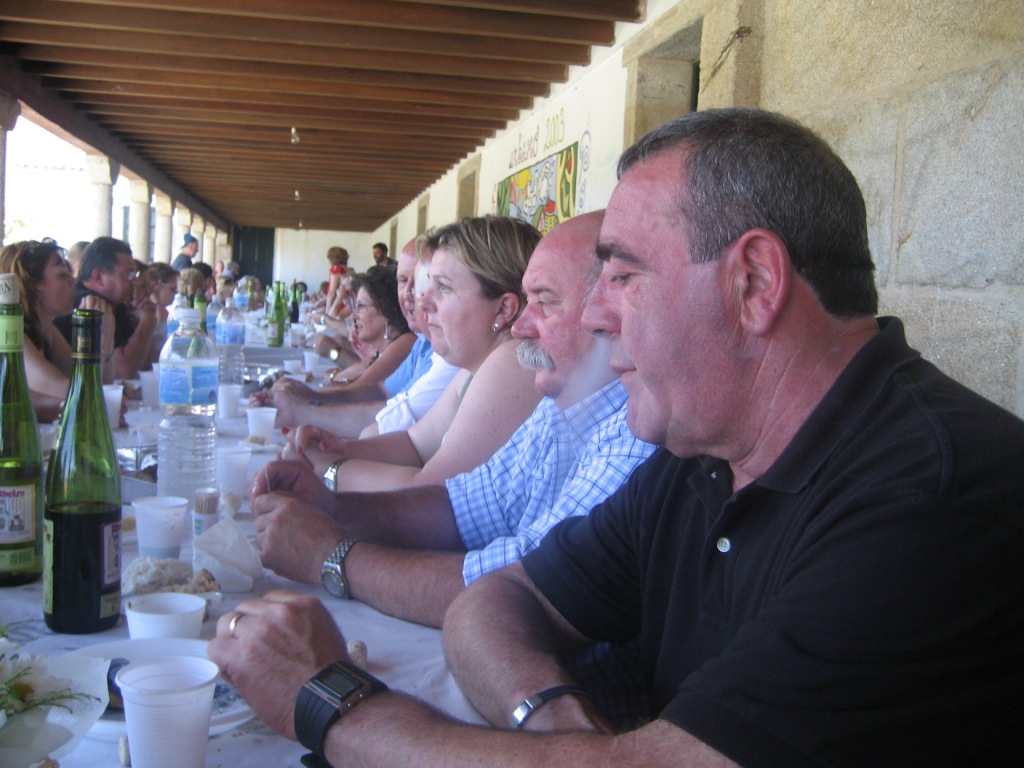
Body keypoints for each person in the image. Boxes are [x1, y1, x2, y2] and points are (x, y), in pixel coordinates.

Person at [210, 109, 1024, 767]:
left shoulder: (929, 498)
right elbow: (498, 600)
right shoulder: (707, 455)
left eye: (625, 275)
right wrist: (561, 729)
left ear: (753, 283)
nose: (599, 314)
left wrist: (335, 705)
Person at [249, 211, 654, 628]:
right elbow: (462, 505)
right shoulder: (559, 407)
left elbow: (523, 588)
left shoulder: (635, 433)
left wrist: (332, 555)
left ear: (609, 315)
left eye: (546, 302)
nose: (521, 327)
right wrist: (332, 507)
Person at [277, 216, 544, 492]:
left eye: (444, 287)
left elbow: (432, 493)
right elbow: (414, 445)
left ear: (503, 309)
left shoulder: (514, 362)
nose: (423, 302)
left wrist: (330, 469)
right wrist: (337, 449)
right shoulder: (474, 367)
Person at [251, 238, 458, 437]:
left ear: (385, 312)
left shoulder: (414, 343)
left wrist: (304, 409)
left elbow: (397, 423)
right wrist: (309, 396)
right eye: (403, 281)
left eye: (423, 282)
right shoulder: (422, 342)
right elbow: (380, 391)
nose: (413, 294)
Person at [0, 238, 111, 420]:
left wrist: (106, 336)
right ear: (32, 285)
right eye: (62, 274)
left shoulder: (47, 329)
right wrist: (94, 335)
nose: (73, 281)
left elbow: (97, 385)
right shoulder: (8, 331)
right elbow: (76, 392)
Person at [53, 236, 155, 382]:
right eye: (129, 274)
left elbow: (145, 365)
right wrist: (148, 321)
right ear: (99, 277)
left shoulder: (116, 303)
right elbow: (123, 371)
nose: (135, 281)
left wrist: (139, 322)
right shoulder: (87, 304)